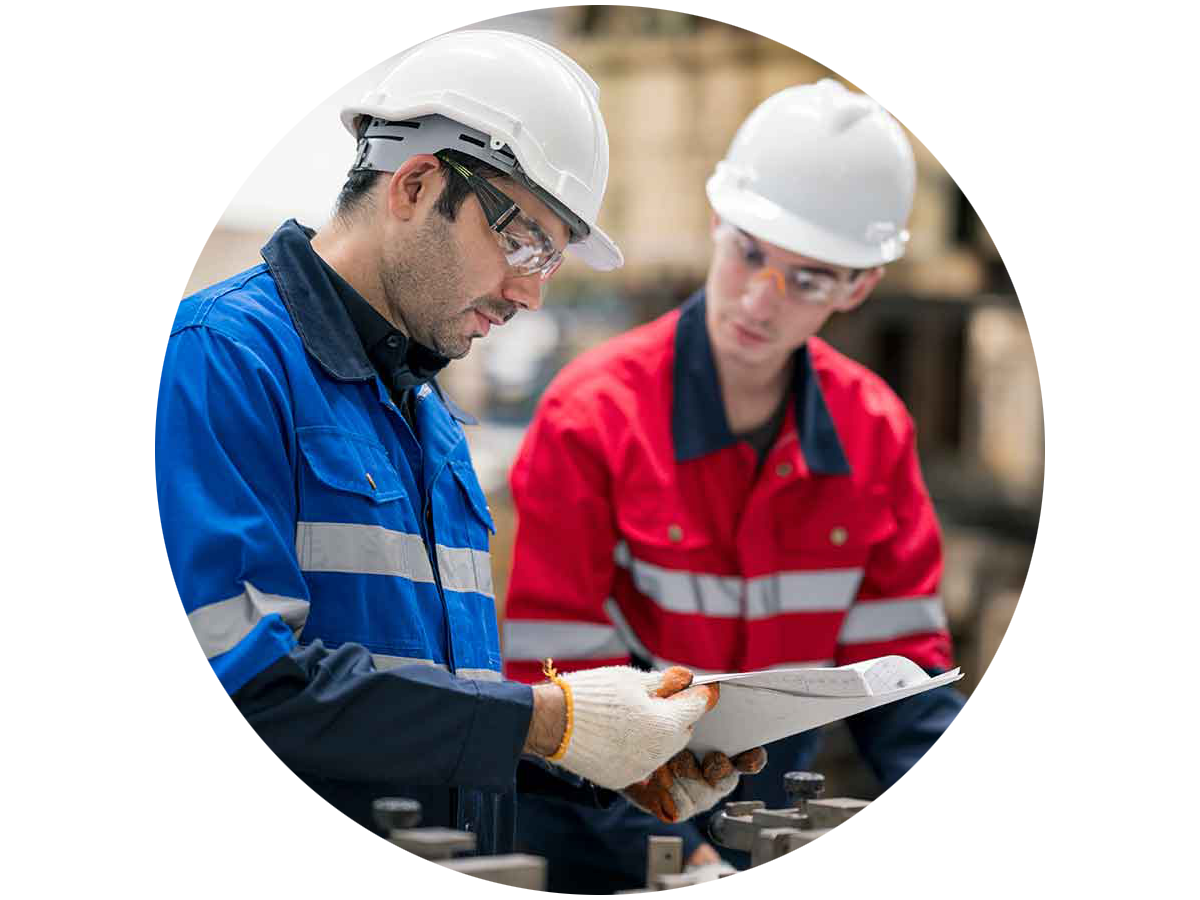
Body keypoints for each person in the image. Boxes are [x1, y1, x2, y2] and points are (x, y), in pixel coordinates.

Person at [155, 31, 756, 893]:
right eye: (524, 243)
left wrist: (600, 765)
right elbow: (241, 687)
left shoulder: (427, 418)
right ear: (416, 184)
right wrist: (546, 721)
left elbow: (426, 718)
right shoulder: (216, 362)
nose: (531, 292)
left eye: (549, 259)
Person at [503, 78, 989, 892]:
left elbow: (905, 678)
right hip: (597, 832)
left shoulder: (874, 432)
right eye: (749, 252)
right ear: (717, 226)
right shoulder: (592, 417)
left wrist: (967, 853)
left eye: (807, 279)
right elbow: (559, 691)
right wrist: (679, 857)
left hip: (772, 826)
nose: (760, 300)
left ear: (857, 287)